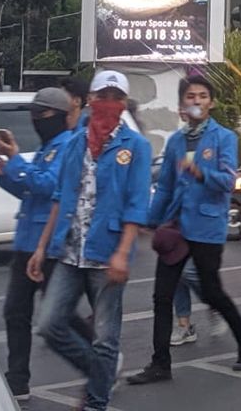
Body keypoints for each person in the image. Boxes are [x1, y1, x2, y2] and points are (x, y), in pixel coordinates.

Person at [29, 70, 152, 411]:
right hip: (70, 251)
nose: (107, 103)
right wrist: (41, 248)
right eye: (102, 96)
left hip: (106, 253)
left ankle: (96, 403)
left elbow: (136, 205)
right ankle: (102, 373)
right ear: (90, 101)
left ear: (123, 103)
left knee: (105, 339)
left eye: (115, 97)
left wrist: (123, 253)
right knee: (50, 324)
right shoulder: (74, 143)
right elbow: (59, 196)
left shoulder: (136, 147)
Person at [128, 76, 241, 384]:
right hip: (176, 227)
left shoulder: (224, 138)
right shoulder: (175, 141)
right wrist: (149, 219)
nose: (196, 101)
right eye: (190, 96)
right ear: (183, 104)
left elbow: (227, 181)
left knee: (211, 290)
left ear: (210, 103)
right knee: (162, 296)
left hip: (207, 225)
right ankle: (160, 363)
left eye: (201, 96)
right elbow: (165, 187)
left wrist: (201, 173)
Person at [0, 87, 94, 401]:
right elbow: (31, 193)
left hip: (49, 245)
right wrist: (7, 173)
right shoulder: (47, 146)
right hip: (27, 241)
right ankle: (18, 380)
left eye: (43, 114)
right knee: (16, 312)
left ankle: (102, 360)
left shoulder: (68, 146)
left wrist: (15, 162)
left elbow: (49, 185)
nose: (37, 119)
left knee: (59, 316)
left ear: (62, 116)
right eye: (34, 114)